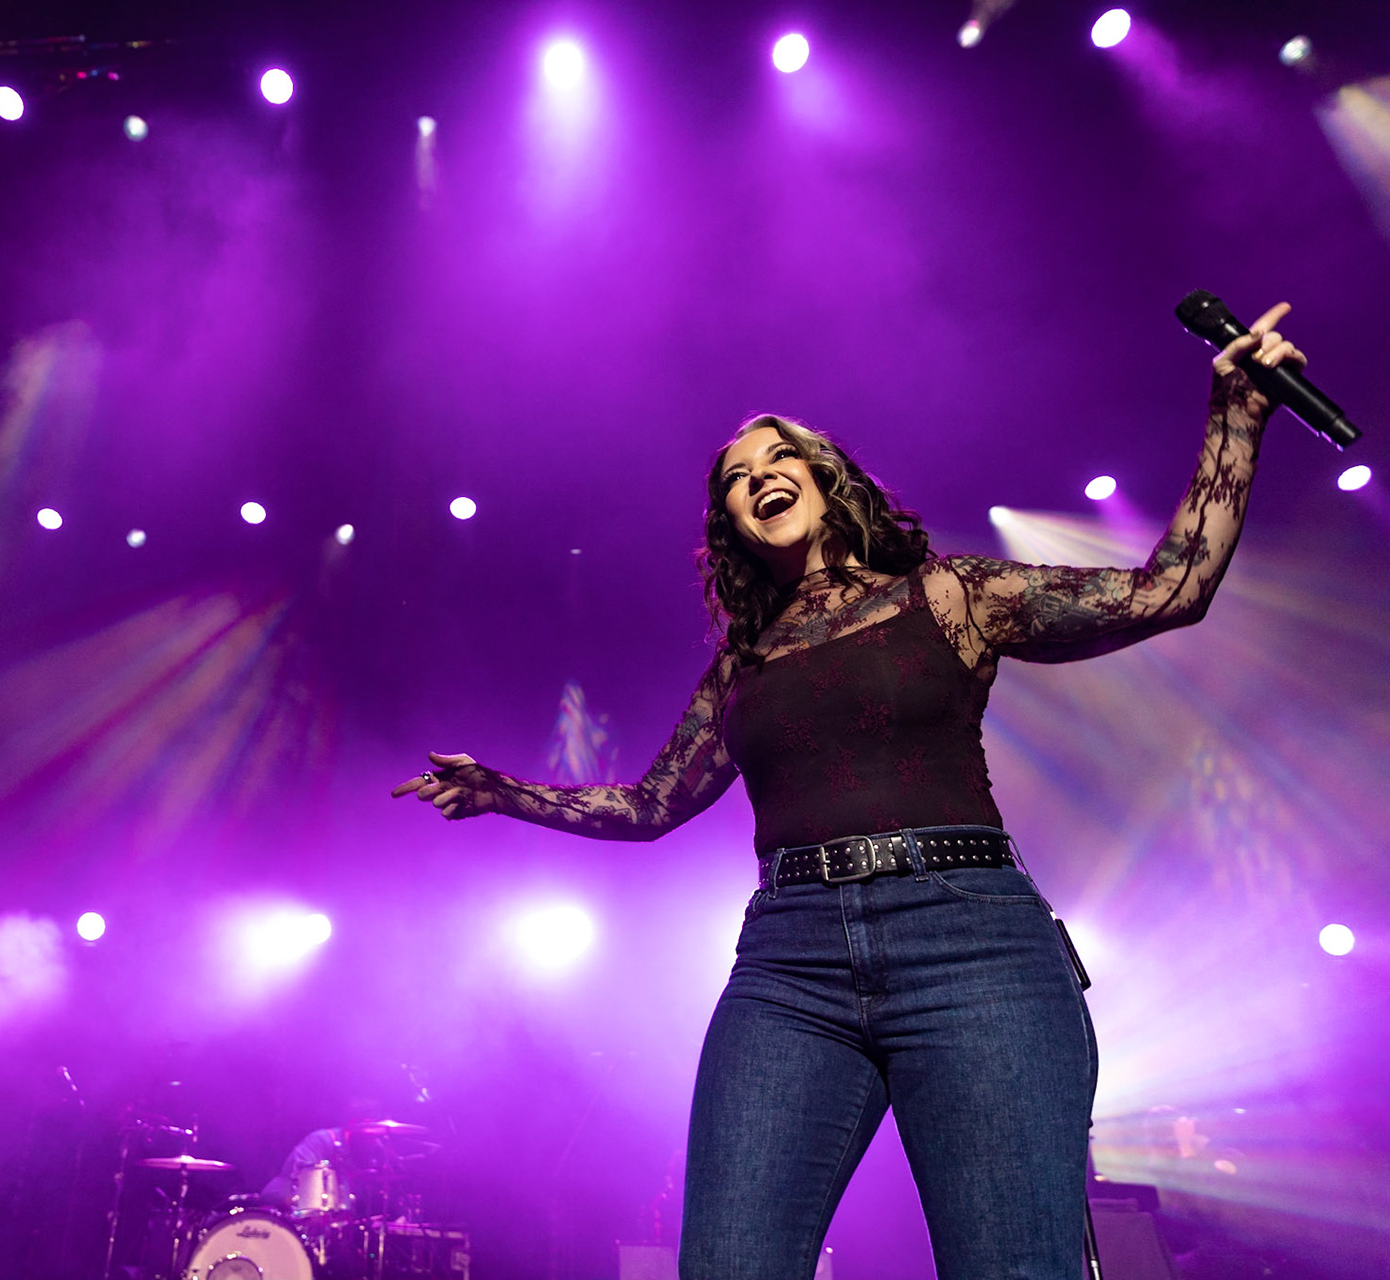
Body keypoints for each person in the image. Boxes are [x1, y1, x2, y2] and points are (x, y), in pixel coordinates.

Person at [394, 306, 1307, 1279]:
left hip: (969, 939)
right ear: (731, 524)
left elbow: (1170, 589)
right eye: (738, 478)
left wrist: (1236, 416)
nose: (759, 476)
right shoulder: (743, 666)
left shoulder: (947, 594)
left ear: (827, 479)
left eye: (777, 457)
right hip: (790, 963)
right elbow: (652, 803)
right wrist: (501, 790)